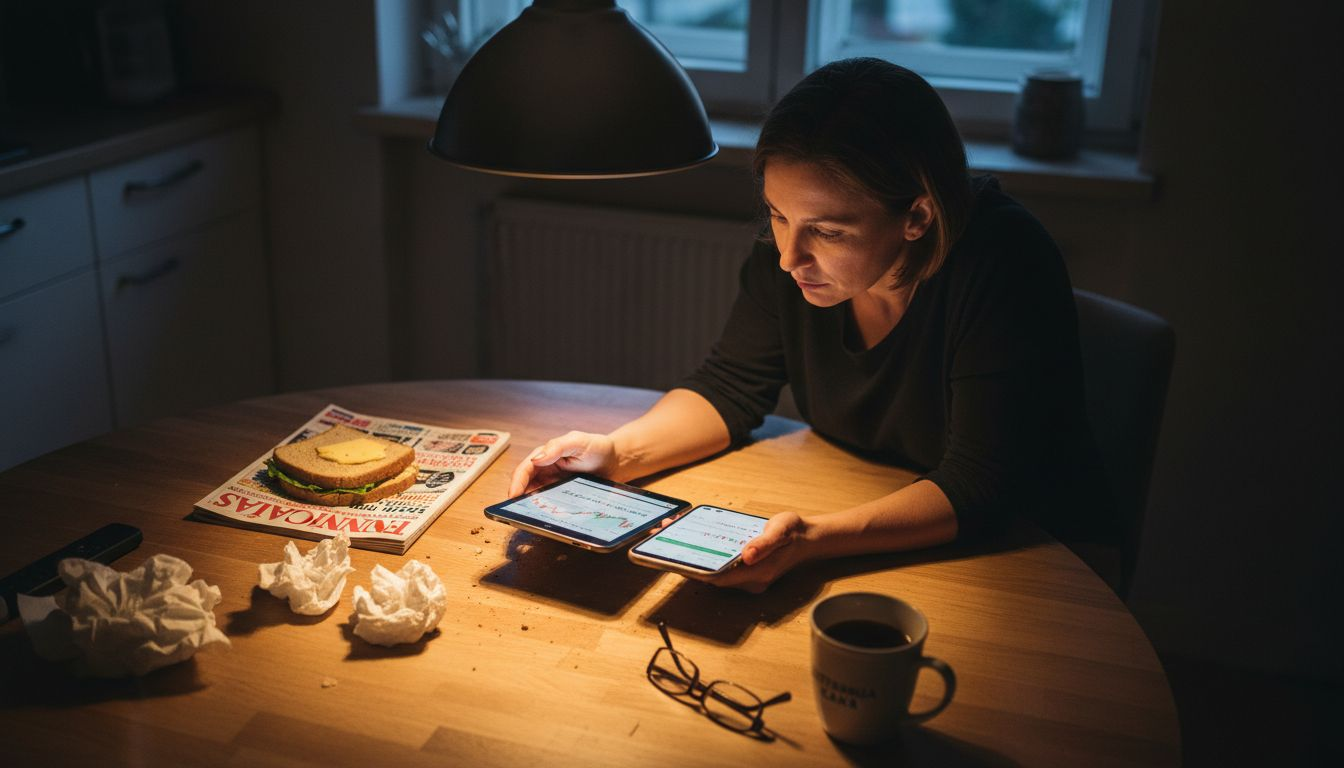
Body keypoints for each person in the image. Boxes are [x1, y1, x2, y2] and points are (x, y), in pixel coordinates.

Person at [509, 57, 1109, 592]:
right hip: (883, 511)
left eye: (828, 230)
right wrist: (614, 453)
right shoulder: (790, 257)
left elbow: (982, 484)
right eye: (777, 216)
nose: (789, 255)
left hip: (1034, 557)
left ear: (918, 216)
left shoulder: (1005, 261)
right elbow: (730, 387)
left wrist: (815, 541)